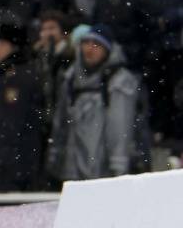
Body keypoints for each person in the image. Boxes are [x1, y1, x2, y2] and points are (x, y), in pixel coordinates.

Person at [48, 27, 140, 182]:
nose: (90, 49)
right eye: (86, 43)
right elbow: (60, 122)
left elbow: (120, 126)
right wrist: (55, 156)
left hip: (103, 172)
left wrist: (119, 167)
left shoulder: (118, 81)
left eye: (97, 44)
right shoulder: (70, 78)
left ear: (108, 50)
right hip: (70, 171)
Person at [0, 18, 46, 191]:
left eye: (1, 44)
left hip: (10, 170)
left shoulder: (21, 78)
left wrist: (1, 163)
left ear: (14, 47)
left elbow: (13, 127)